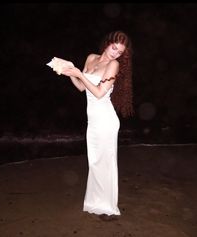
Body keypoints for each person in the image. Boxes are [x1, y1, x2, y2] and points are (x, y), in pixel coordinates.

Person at [52, 30, 134, 221]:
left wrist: (79, 73)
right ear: (107, 43)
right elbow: (82, 87)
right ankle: (96, 203)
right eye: (114, 48)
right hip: (94, 121)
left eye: (120, 52)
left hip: (106, 121)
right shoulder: (91, 58)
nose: (115, 54)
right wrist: (70, 72)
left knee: (106, 163)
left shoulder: (113, 65)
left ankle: (108, 207)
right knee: (95, 163)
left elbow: (98, 93)